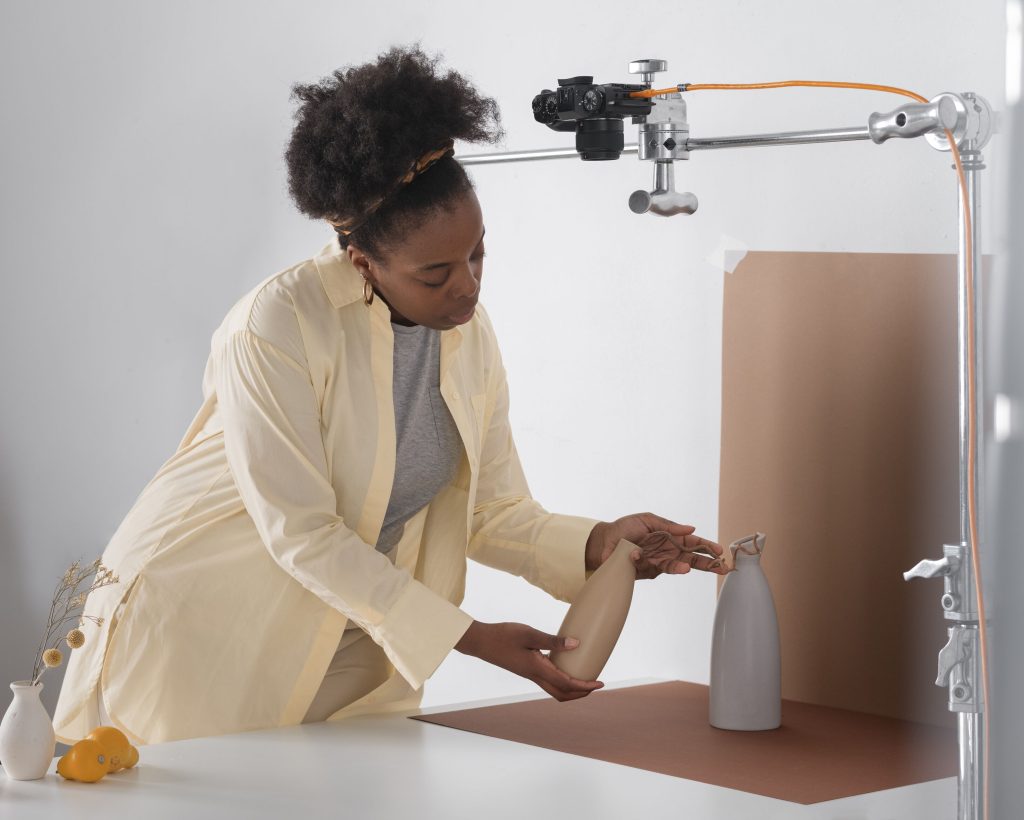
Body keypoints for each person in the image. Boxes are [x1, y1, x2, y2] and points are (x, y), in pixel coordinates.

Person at [52, 45, 725, 747]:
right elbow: (302, 533)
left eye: (477, 253)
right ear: (362, 262)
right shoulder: (276, 325)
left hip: (352, 637)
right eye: (435, 274)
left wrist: (596, 543)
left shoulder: (467, 336)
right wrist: (468, 637)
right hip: (203, 623)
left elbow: (490, 509)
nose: (467, 286)